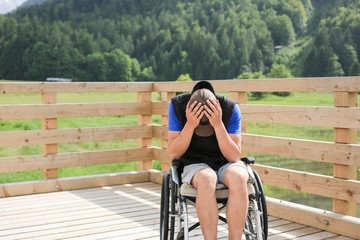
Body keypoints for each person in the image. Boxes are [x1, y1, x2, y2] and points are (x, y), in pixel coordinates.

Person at [167, 81, 252, 240]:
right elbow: (174, 153)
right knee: (207, 178)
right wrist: (191, 125)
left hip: (225, 161)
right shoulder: (176, 105)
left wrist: (218, 125)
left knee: (239, 177)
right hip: (194, 163)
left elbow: (234, 156)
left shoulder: (231, 108)